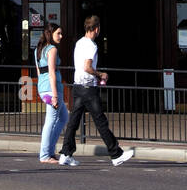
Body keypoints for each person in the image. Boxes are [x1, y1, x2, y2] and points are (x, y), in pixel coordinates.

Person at [58, 16, 134, 167]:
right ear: (97, 29)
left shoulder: (79, 43)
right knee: (101, 122)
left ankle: (65, 154)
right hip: (88, 88)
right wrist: (101, 74)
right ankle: (116, 154)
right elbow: (87, 67)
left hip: (77, 87)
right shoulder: (92, 46)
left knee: (73, 122)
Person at [35, 21, 68, 163]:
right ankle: (45, 154)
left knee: (63, 117)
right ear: (50, 34)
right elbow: (52, 73)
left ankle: (49, 150)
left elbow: (39, 71)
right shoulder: (52, 49)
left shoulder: (38, 49)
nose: (61, 36)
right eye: (58, 33)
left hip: (43, 88)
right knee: (51, 121)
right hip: (52, 88)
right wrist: (55, 94)